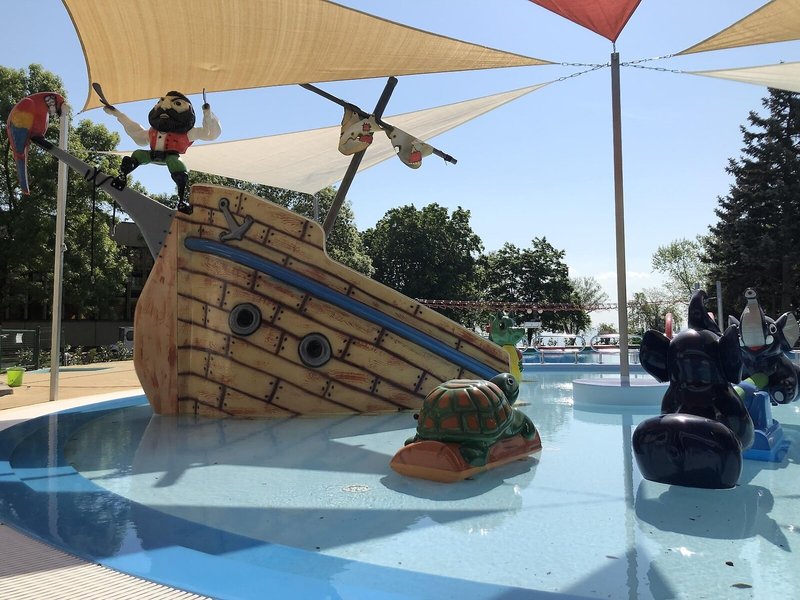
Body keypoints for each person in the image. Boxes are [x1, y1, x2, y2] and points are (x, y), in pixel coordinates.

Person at [103, 91, 221, 212]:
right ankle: (122, 177)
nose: (165, 107)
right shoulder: (152, 132)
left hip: (171, 157)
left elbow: (209, 134)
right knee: (137, 154)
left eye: (177, 103)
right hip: (152, 155)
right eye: (161, 102)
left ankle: (181, 201)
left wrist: (207, 113)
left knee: (177, 164)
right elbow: (134, 129)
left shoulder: (189, 133)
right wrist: (116, 113)